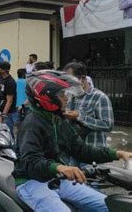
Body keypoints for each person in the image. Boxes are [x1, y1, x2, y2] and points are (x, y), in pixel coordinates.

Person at [13, 70, 131, 211]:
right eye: (61, 94)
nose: (66, 98)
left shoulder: (58, 120)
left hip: (57, 179)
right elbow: (31, 161)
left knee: (110, 206)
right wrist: (60, 167)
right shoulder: (32, 123)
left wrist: (117, 153)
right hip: (32, 182)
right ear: (46, 96)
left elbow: (81, 150)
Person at [63, 62, 113, 148]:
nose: (68, 84)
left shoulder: (100, 97)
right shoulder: (70, 96)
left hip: (93, 150)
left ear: (82, 78)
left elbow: (108, 125)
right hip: (73, 150)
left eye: (70, 80)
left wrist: (79, 116)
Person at [0, 61, 17, 135]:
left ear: (4, 70)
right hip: (0, 111)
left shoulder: (10, 82)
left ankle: (12, 147)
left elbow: (9, 101)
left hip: (8, 113)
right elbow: (1, 94)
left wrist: (2, 116)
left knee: (8, 135)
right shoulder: (1, 79)